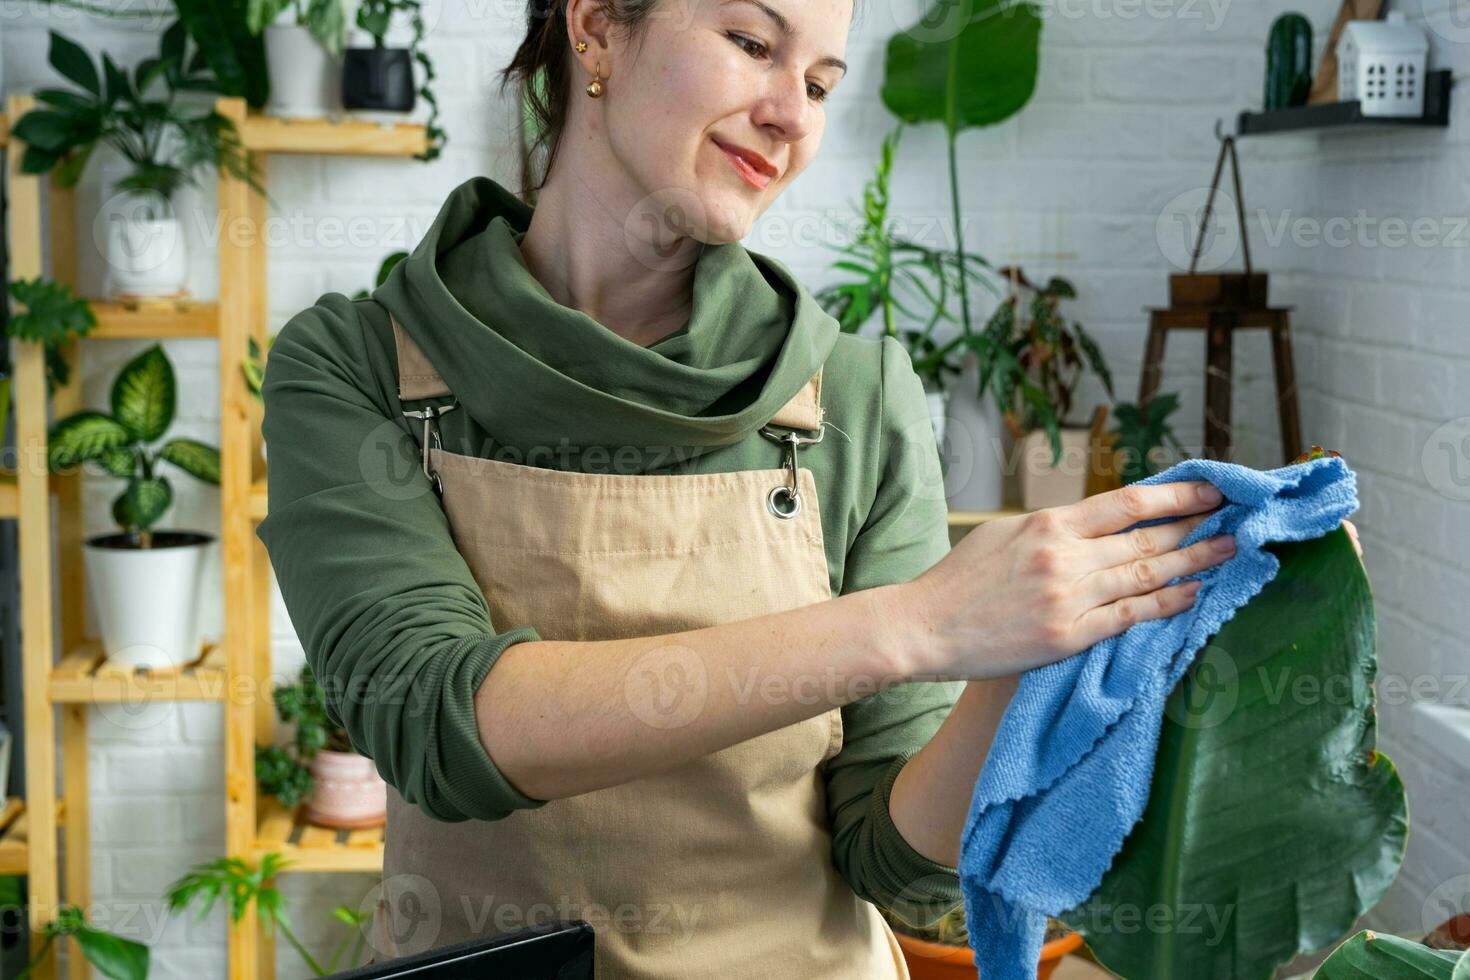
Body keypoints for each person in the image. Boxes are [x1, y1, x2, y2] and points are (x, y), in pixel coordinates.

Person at [255, 0, 1363, 976]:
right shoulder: (361, 366)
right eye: (751, 44)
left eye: (821, 83)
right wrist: (921, 621)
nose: (793, 116)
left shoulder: (857, 394)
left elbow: (891, 859)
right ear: (594, 26)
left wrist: (1006, 660)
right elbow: (439, 720)